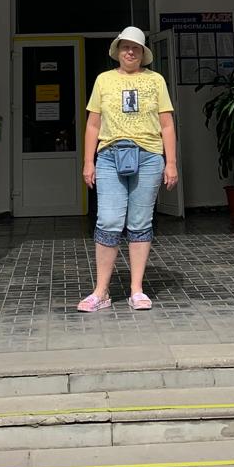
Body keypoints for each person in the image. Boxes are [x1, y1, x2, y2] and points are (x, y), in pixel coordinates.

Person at [77, 26, 178, 311]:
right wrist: (88, 161)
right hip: (110, 156)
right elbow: (93, 124)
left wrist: (171, 163)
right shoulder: (103, 80)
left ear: (143, 53)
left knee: (140, 222)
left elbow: (167, 124)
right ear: (118, 51)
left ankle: (137, 290)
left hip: (148, 156)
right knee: (108, 220)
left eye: (135, 48)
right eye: (125, 47)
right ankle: (101, 292)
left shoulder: (155, 80)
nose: (130, 52)